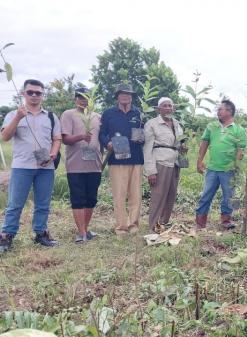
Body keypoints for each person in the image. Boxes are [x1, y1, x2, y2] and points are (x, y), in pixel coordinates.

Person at [0, 79, 61, 252]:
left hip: (45, 167)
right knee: (15, 203)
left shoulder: (50, 116)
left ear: (43, 95)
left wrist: (54, 153)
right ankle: (6, 236)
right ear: (23, 93)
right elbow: (5, 137)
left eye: (38, 93)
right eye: (30, 92)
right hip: (22, 166)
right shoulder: (13, 114)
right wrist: (19, 117)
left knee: (43, 203)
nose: (34, 95)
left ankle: (41, 233)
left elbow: (57, 139)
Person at [99, 83, 145, 235]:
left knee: (136, 194)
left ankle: (133, 225)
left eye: (128, 94)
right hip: (117, 159)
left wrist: (141, 138)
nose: (125, 96)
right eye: (122, 93)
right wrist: (108, 143)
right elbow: (102, 134)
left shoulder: (139, 113)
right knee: (119, 194)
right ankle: (121, 226)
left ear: (131, 96)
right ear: (117, 96)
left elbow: (144, 134)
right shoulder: (108, 113)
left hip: (136, 158)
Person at [195, 100, 247, 230]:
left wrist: (236, 166)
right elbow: (204, 143)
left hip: (229, 170)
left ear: (229, 112)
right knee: (206, 195)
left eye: (220, 109)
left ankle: (226, 220)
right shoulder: (212, 126)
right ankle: (200, 222)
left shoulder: (239, 130)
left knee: (228, 196)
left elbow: (240, 150)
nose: (218, 112)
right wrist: (199, 160)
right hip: (212, 168)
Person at [61, 87, 102, 243]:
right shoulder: (68, 114)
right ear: (75, 99)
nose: (83, 100)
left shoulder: (97, 116)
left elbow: (102, 138)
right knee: (78, 198)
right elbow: (65, 139)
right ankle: (81, 232)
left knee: (91, 198)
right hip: (75, 165)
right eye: (80, 97)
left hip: (95, 165)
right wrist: (81, 136)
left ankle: (85, 229)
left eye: (86, 97)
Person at [143, 97, 185, 232]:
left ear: (173, 108)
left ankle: (164, 223)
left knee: (171, 195)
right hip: (160, 162)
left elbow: (179, 143)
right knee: (158, 196)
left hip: (175, 163)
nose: (168, 108)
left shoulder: (177, 124)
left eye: (170, 106)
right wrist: (151, 171)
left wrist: (183, 148)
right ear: (159, 109)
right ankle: (153, 226)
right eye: (164, 106)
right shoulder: (152, 124)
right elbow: (147, 148)